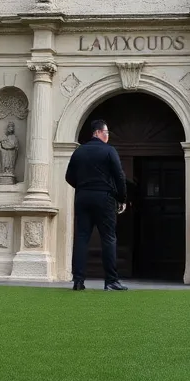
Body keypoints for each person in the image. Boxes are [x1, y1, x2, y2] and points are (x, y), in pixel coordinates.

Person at [64, 119, 128, 291]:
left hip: (83, 197)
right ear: (99, 132)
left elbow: (69, 176)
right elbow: (120, 176)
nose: (107, 136)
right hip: (104, 198)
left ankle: (78, 280)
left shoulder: (79, 152)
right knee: (108, 238)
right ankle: (111, 281)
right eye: (106, 133)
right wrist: (121, 198)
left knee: (82, 238)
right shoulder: (109, 151)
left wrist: (83, 186)